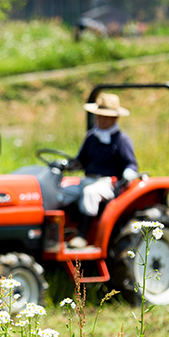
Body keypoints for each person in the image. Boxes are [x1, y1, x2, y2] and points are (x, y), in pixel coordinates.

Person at [61, 92, 139, 249]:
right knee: (62, 192)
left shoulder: (121, 140)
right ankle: (61, 231)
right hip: (88, 178)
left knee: (90, 193)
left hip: (107, 183)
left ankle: (82, 237)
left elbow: (131, 164)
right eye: (98, 116)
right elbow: (80, 161)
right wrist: (66, 165)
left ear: (114, 118)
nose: (100, 119)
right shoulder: (91, 137)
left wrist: (129, 172)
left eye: (104, 116)